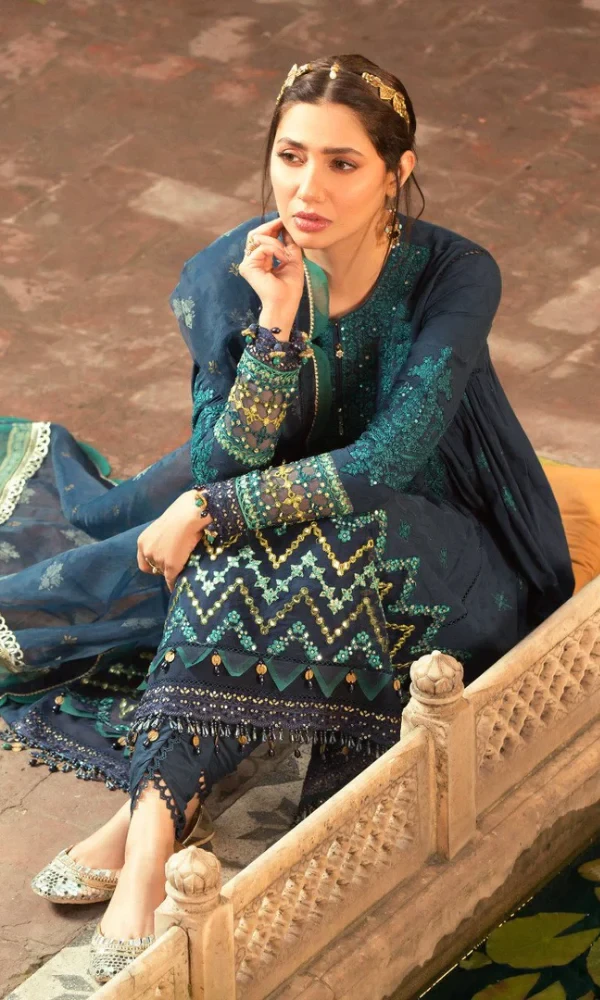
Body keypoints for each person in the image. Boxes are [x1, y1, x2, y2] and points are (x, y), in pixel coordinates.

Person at [0, 53, 574, 983]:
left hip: (453, 547)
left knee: (267, 534)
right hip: (293, 535)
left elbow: (386, 461)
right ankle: (154, 833)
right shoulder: (230, 276)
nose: (309, 188)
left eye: (343, 163)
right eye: (291, 156)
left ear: (397, 171)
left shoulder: (454, 274)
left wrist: (208, 507)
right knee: (239, 547)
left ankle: (145, 819)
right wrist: (275, 328)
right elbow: (224, 458)